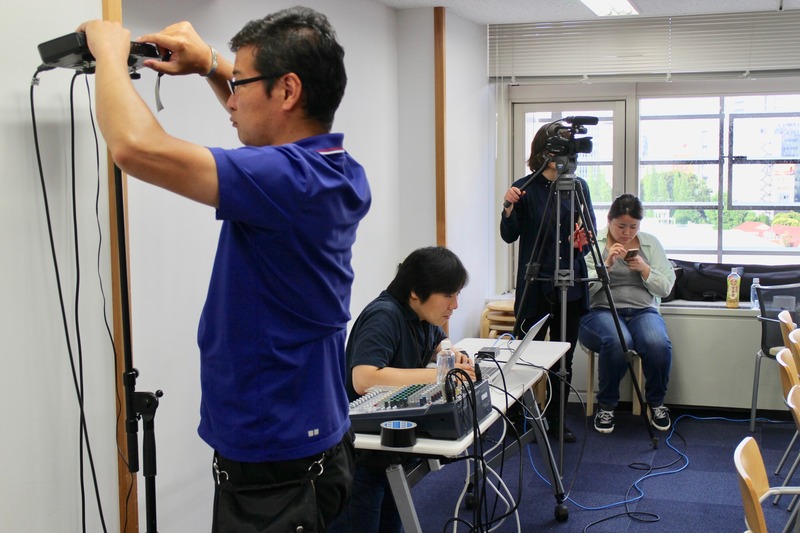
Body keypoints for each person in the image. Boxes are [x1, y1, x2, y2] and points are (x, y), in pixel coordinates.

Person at [78, 7, 371, 531]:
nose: (231, 101)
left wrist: (109, 54)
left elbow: (135, 148)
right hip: (302, 443)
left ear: (288, 90)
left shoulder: (290, 181)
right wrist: (211, 64)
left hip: (279, 464)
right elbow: (260, 134)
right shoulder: (335, 170)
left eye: (241, 84)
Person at [329, 246, 474, 533]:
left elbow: (438, 341)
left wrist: (450, 352)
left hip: (389, 450)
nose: (455, 305)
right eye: (448, 295)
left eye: (457, 294)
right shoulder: (384, 316)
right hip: (362, 456)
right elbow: (364, 378)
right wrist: (440, 376)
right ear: (416, 292)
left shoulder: (420, 316)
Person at [500, 121, 596, 443]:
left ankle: (556, 420)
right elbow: (509, 235)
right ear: (543, 153)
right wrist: (508, 207)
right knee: (524, 354)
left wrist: (581, 239)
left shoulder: (579, 187)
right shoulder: (524, 187)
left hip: (571, 286)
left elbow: (590, 236)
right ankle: (516, 417)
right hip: (535, 284)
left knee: (563, 358)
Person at [578, 194, 675, 434]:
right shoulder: (594, 243)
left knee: (657, 343)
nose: (627, 232)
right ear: (609, 221)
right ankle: (607, 406)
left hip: (643, 310)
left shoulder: (650, 244)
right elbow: (581, 289)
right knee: (618, 340)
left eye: (633, 227)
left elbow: (666, 287)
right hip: (601, 311)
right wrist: (607, 265)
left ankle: (656, 403)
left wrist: (645, 269)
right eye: (621, 226)